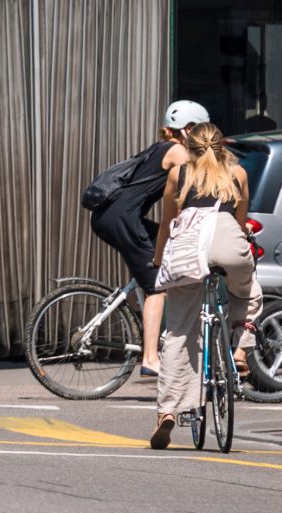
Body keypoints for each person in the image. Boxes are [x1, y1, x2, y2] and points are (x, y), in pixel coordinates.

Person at [146, 118, 258, 450]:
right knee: (248, 289)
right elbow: (240, 223)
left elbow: (167, 222)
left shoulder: (179, 175)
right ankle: (240, 348)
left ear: (189, 149)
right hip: (228, 242)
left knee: (180, 329)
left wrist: (158, 259)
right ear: (222, 146)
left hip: (187, 249)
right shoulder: (238, 175)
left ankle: (168, 411)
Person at [86, 100, 198, 377]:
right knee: (157, 287)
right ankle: (150, 357)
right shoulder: (177, 152)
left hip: (115, 217)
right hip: (121, 219)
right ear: (188, 129)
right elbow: (195, 186)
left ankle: (139, 308)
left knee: (161, 250)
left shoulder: (160, 148)